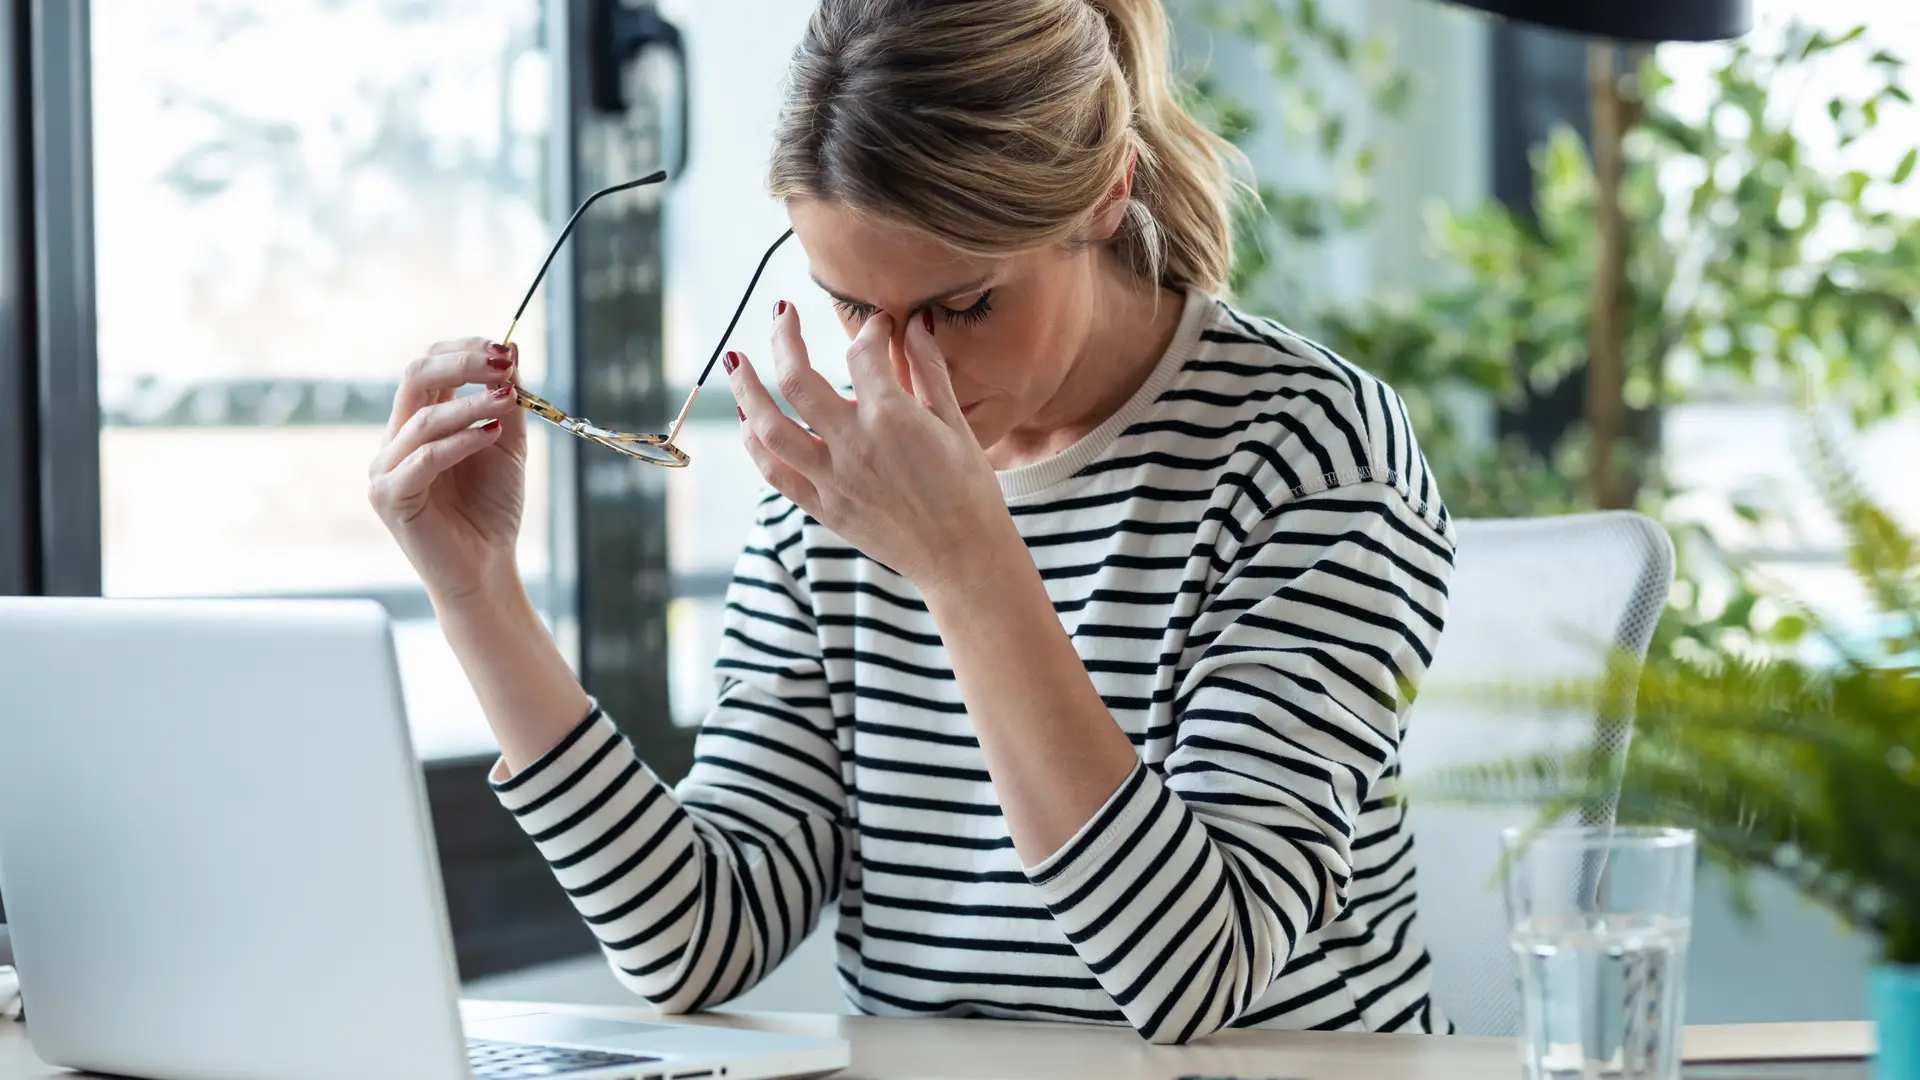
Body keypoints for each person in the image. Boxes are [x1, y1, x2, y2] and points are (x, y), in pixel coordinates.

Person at [370, 0, 1454, 1044]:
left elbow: (1193, 973)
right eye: (851, 307)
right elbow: (694, 939)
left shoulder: (1310, 449)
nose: (898, 370)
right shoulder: (840, 485)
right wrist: (479, 596)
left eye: (964, 306)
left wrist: (967, 566)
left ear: (1106, 195)